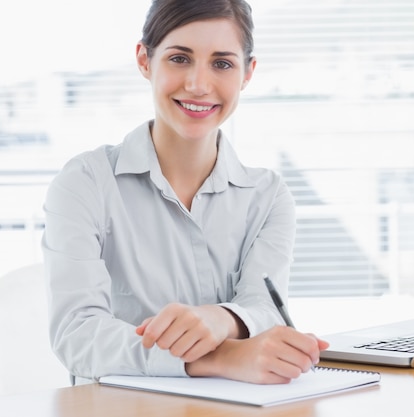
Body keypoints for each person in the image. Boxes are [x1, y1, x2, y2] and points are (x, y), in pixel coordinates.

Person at [42, 0, 328, 385]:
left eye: (222, 63)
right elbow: (77, 335)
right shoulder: (86, 183)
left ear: (248, 73)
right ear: (145, 60)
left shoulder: (267, 196)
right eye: (179, 58)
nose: (198, 84)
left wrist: (220, 318)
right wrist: (221, 355)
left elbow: (264, 308)